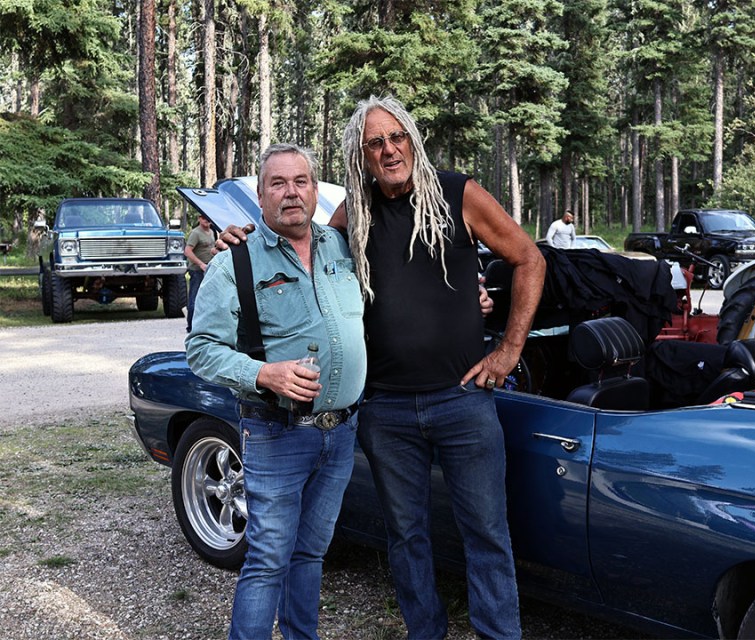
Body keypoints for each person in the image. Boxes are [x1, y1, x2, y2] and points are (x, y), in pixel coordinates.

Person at [219, 95, 546, 639]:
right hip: (385, 409)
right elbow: (299, 244)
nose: (389, 150)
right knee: (407, 537)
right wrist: (240, 241)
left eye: (397, 137)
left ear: (412, 141)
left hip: (463, 399)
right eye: (376, 142)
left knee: (487, 533)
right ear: (361, 154)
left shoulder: (459, 194)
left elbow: (528, 257)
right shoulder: (354, 214)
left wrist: (509, 349)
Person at [186, 143, 365, 640]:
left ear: (315, 190)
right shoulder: (235, 261)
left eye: (300, 182)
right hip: (276, 433)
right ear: (261, 196)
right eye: (278, 183)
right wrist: (264, 374)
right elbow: (200, 349)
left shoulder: (342, 247)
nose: (291, 193)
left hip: (342, 432)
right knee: (268, 558)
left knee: (311, 553)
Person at [184, 213, 215, 332]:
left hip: (209, 270)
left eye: (208, 217)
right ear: (199, 219)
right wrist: (200, 264)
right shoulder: (196, 233)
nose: (206, 220)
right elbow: (187, 251)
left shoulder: (212, 232)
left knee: (208, 299)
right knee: (194, 299)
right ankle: (191, 327)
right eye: (203, 217)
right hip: (197, 270)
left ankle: (204, 325)